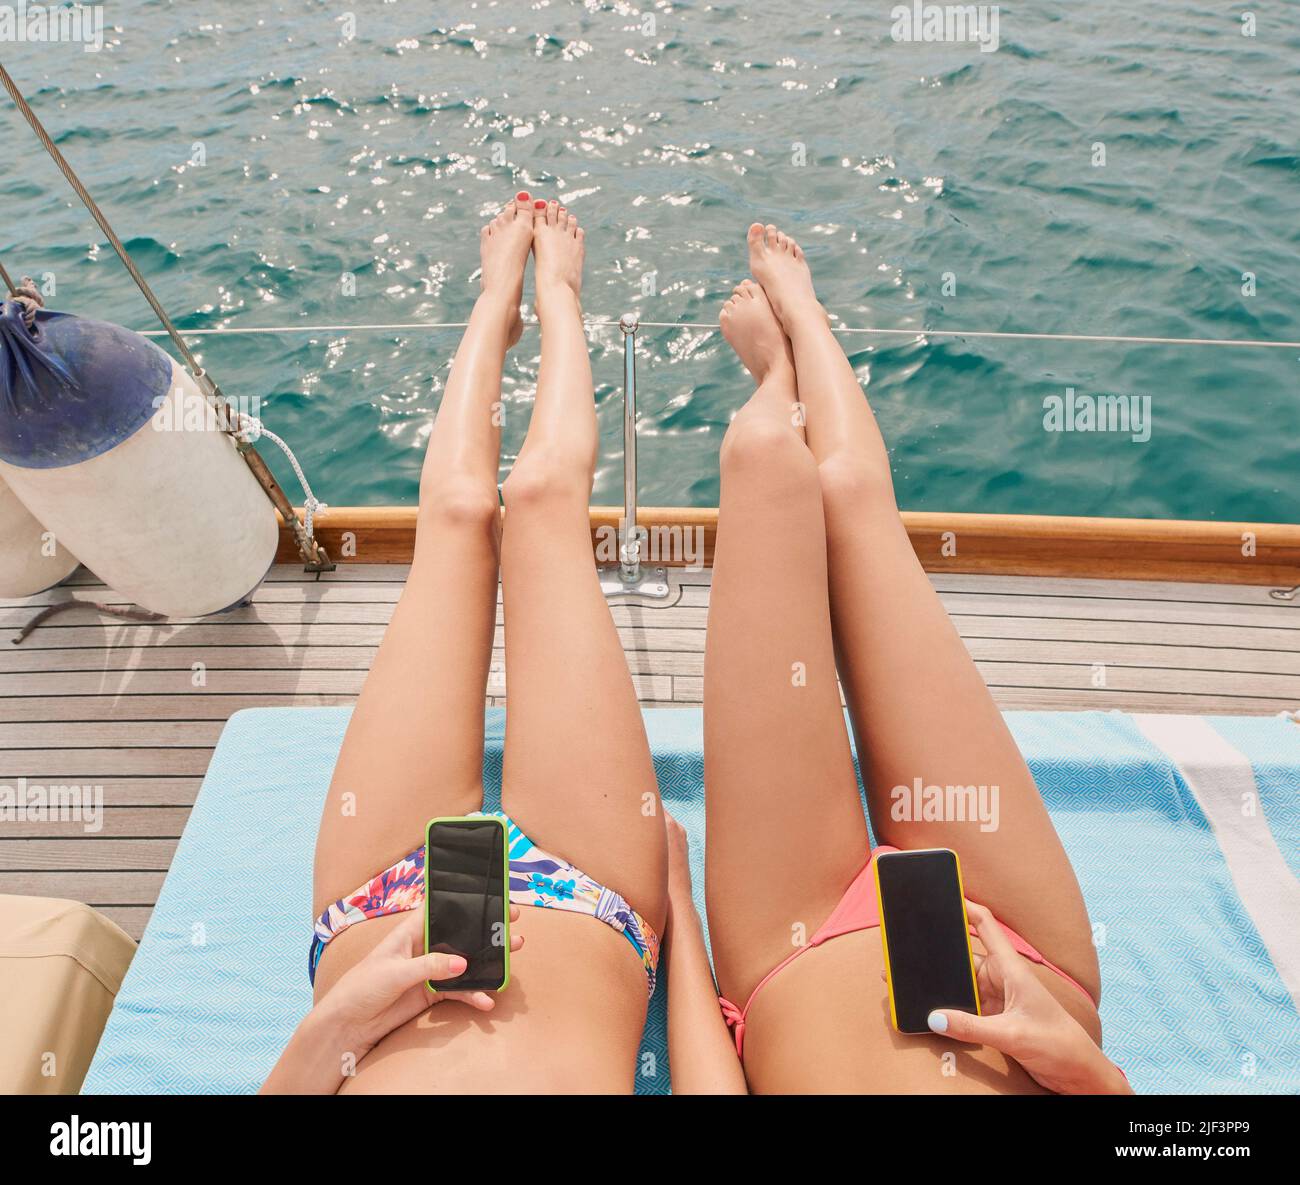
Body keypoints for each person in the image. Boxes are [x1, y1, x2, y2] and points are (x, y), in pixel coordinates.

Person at [698, 225, 1131, 1094]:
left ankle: (780, 378)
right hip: (1021, 960)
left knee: (763, 461)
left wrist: (678, 912)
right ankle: (809, 320)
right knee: (852, 498)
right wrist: (1090, 1072)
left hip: (796, 951)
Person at [266, 194, 683, 1094]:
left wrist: (333, 1024)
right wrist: (685, 923)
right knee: (541, 502)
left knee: (456, 516)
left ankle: (495, 304)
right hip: (594, 901)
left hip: (375, 920)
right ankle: (561, 298)